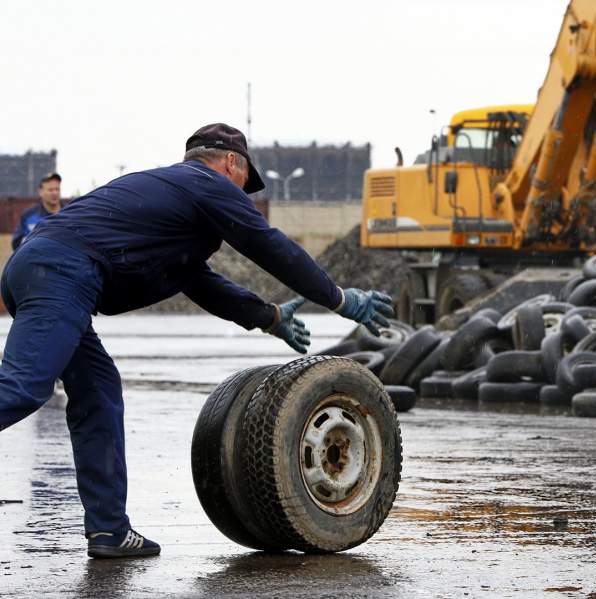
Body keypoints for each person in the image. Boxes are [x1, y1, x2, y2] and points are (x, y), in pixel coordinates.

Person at [0, 123, 394, 559]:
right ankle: (109, 527)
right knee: (24, 386)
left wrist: (270, 317)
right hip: (60, 272)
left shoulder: (174, 210)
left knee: (98, 392)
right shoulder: (205, 182)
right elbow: (268, 245)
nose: (245, 194)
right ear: (230, 162)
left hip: (45, 268)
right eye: (246, 181)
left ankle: (110, 530)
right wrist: (337, 298)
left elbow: (201, 283)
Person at [12, 172, 63, 249]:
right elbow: (16, 243)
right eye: (50, 190)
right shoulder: (28, 215)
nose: (55, 193)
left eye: (57, 189)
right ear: (40, 192)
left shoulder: (70, 213)